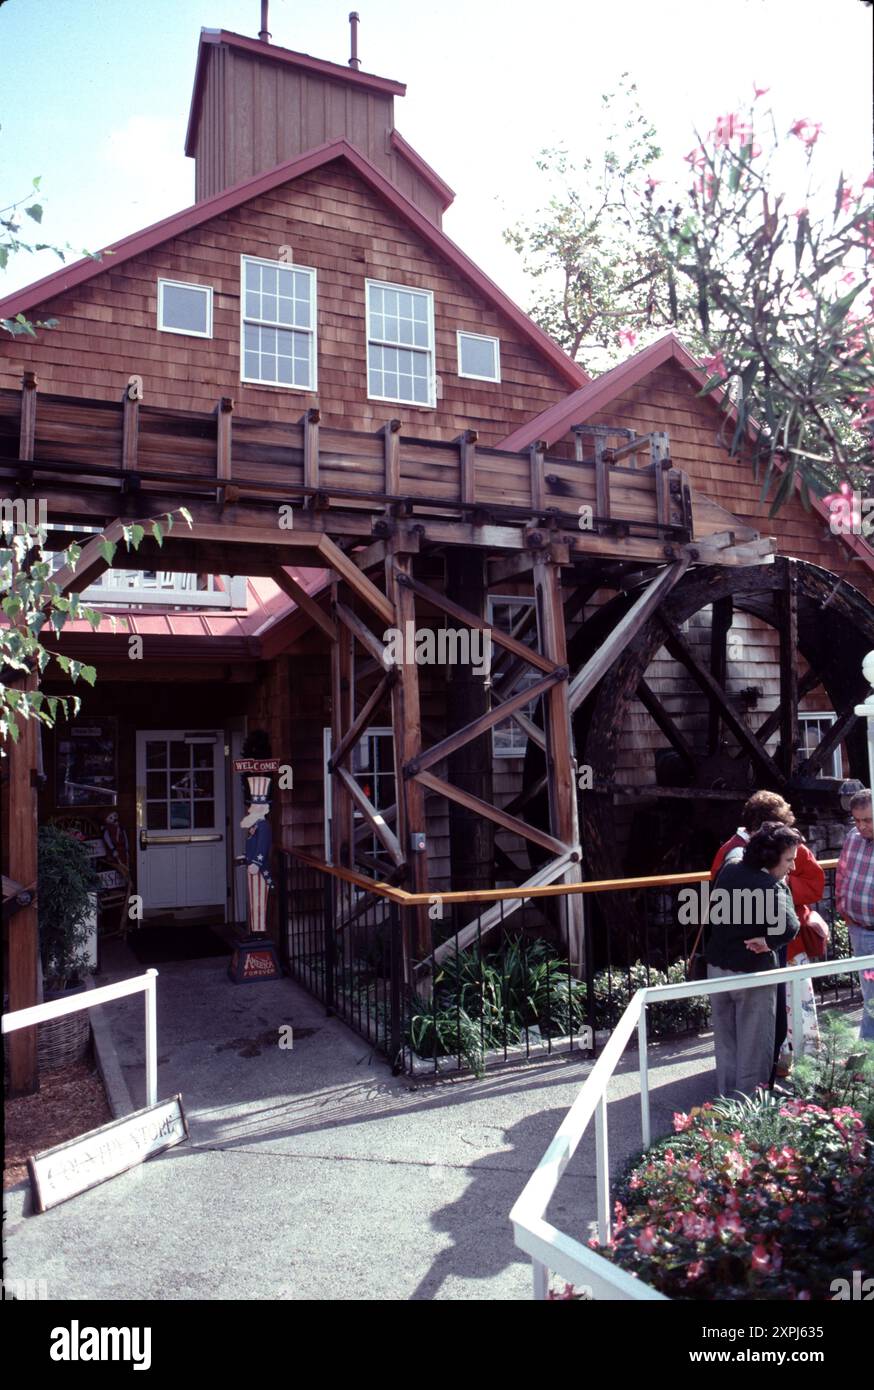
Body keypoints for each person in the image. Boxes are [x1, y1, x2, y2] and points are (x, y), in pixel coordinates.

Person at [711, 791, 826, 1076]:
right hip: (759, 954)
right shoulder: (735, 854)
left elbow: (812, 884)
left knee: (752, 1033)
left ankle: (779, 1071)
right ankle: (757, 1091)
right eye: (789, 861)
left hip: (767, 950)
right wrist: (776, 898)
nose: (792, 866)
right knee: (757, 1034)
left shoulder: (741, 857)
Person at [705, 823, 801, 1099]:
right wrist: (768, 943)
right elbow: (790, 927)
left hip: (718, 969)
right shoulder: (771, 885)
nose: (792, 867)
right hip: (752, 974)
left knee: (726, 1044)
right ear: (771, 858)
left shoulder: (730, 868)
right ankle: (749, 1109)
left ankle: (725, 1104)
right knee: (754, 1047)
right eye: (789, 860)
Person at [835, 788, 874, 1042]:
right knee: (870, 993)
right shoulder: (852, 837)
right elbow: (842, 874)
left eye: (868, 820)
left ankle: (864, 1060)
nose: (861, 826)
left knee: (872, 998)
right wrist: (845, 912)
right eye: (857, 820)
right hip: (860, 930)